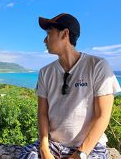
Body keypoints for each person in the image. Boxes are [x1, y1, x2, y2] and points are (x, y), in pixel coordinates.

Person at [19, 13, 121, 159]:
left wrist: (80, 154)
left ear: (65, 34)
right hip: (53, 144)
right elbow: (42, 112)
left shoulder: (97, 66)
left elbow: (103, 116)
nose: (44, 40)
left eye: (49, 34)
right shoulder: (45, 72)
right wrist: (44, 148)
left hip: (89, 147)